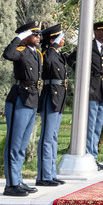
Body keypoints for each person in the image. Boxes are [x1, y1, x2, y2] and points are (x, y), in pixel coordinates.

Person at [2, 21, 42, 197]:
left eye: (39, 34)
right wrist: (18, 38)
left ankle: (17, 180)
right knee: (14, 143)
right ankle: (11, 184)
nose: (38, 37)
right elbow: (7, 54)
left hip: (32, 98)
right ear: (26, 36)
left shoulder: (36, 54)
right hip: (19, 98)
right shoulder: (19, 50)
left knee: (22, 144)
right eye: (35, 34)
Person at [36, 24, 68, 187]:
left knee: (53, 137)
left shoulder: (57, 54)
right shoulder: (46, 53)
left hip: (59, 97)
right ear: (52, 40)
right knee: (47, 138)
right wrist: (53, 45)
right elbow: (46, 62)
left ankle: (51, 173)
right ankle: (43, 175)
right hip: (51, 96)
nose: (63, 40)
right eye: (60, 37)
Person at [86, 20, 103, 169]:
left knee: (97, 126)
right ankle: (89, 156)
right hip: (92, 89)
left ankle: (93, 156)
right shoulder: (88, 47)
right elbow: (72, 59)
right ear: (96, 31)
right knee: (90, 126)